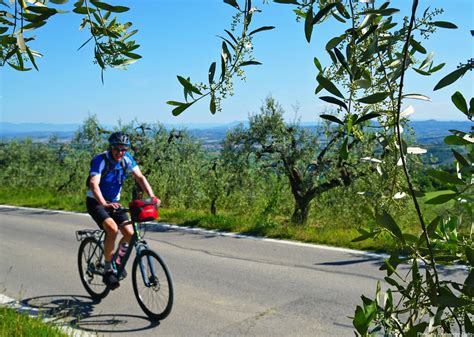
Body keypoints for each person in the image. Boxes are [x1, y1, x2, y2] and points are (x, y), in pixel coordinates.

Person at [86, 132, 159, 289]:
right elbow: (93, 184)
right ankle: (107, 268)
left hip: (114, 203)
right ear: (111, 148)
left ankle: (116, 261)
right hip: (96, 202)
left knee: (130, 233)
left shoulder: (126, 159)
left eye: (123, 149)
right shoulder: (100, 160)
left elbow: (140, 177)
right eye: (117, 149)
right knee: (112, 229)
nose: (120, 153)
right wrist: (103, 203)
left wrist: (152, 196)